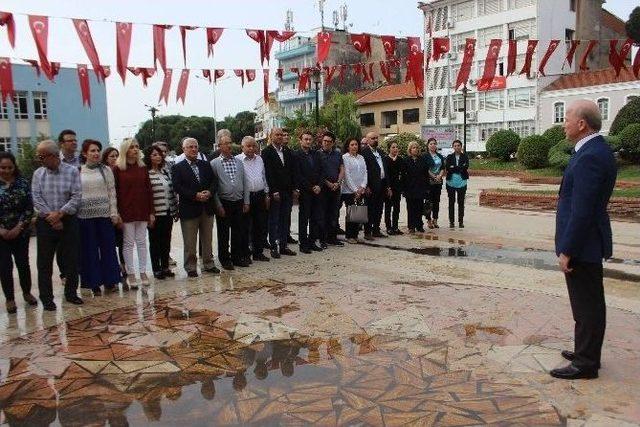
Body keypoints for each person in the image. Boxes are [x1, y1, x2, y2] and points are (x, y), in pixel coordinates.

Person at [551, 100, 616, 380]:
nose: (563, 123)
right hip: (586, 241)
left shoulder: (591, 155)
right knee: (585, 302)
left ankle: (586, 362)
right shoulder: (591, 150)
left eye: (566, 118)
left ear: (581, 124)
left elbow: (583, 210)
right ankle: (585, 351)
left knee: (587, 303)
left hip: (584, 244)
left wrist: (568, 249)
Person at [31, 140, 83, 310]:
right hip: (46, 222)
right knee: (44, 263)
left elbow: (76, 197)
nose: (39, 159)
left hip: (68, 220)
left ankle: (71, 293)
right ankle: (47, 298)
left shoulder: (72, 171)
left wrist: (60, 214)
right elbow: (36, 198)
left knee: (71, 260)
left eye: (42, 156)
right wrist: (52, 217)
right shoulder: (38, 174)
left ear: (53, 156)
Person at [172, 137, 220, 277]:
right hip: (189, 209)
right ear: (184, 149)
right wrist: (195, 195)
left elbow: (214, 181)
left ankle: (208, 264)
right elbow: (178, 187)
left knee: (207, 239)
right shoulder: (178, 167)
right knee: (190, 242)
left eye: (195, 147)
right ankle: (191, 267)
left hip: (207, 207)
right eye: (190, 147)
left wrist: (209, 192)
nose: (193, 149)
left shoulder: (205, 164)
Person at [78, 139, 121, 293]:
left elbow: (112, 192)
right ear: (84, 153)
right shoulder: (78, 171)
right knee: (89, 251)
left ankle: (110, 280)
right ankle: (93, 282)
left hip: (104, 216)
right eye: (92, 151)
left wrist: (114, 212)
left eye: (98, 150)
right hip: (85, 218)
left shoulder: (106, 170)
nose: (96, 153)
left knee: (108, 249)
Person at [113, 138, 155, 288]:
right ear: (125, 150)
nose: (135, 149)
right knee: (129, 243)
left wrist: (151, 212)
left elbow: (148, 190)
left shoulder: (142, 167)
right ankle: (131, 274)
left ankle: (143, 272)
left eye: (137, 147)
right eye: (132, 147)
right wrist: (116, 212)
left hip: (142, 209)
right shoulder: (118, 168)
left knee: (142, 242)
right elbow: (115, 192)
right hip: (126, 211)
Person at [0, 152, 37, 314]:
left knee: (23, 263)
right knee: (4, 266)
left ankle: (27, 292)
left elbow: (29, 208)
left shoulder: (22, 183)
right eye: (2, 167)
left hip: (20, 232)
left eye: (9, 167)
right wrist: (2, 230)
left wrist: (18, 227)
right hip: (1, 234)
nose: (6, 170)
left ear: (14, 167)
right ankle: (10, 299)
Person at [210, 134, 250, 270]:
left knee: (238, 231)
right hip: (224, 202)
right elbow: (213, 187)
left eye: (230, 143)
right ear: (219, 146)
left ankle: (237, 257)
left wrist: (246, 201)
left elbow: (245, 182)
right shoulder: (214, 163)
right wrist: (218, 205)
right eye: (225, 143)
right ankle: (225, 259)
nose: (229, 145)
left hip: (238, 201)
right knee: (223, 233)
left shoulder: (238, 161)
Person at [262, 128, 296, 258]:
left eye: (281, 135)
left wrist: (294, 188)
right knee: (274, 220)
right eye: (277, 135)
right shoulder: (266, 152)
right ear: (271, 136)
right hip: (275, 192)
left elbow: (291, 171)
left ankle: (283, 246)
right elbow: (268, 173)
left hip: (287, 191)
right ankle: (273, 247)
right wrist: (273, 191)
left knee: (284, 219)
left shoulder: (287, 152)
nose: (280, 137)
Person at [145, 145, 178, 280]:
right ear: (149, 157)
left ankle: (165, 266)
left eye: (159, 154)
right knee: (155, 242)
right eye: (154, 155)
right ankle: (156, 268)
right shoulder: (146, 174)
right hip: (155, 214)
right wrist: (149, 213)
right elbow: (145, 196)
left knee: (166, 240)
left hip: (168, 212)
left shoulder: (165, 172)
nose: (158, 157)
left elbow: (171, 192)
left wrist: (175, 209)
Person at [237, 136, 270, 262]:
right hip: (246, 197)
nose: (251, 148)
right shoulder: (238, 160)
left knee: (259, 225)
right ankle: (245, 253)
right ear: (242, 147)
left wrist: (267, 194)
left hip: (260, 195)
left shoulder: (259, 159)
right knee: (244, 227)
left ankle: (258, 252)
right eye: (248, 146)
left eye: (253, 146)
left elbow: (263, 177)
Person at [294, 130, 324, 254]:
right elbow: (298, 175)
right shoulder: (296, 155)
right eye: (305, 139)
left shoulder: (316, 154)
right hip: (306, 192)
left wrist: (319, 186)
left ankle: (312, 242)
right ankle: (303, 243)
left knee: (315, 218)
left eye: (309, 139)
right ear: (300, 140)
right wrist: (311, 187)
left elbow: (322, 171)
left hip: (317, 191)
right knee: (304, 218)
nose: (307, 141)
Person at [361, 131, 391, 240]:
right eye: (373, 138)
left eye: (376, 138)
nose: (375, 140)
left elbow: (385, 170)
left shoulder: (380, 151)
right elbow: (364, 171)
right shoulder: (364, 153)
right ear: (367, 140)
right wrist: (366, 186)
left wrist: (388, 186)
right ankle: (367, 232)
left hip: (382, 184)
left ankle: (376, 230)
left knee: (379, 209)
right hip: (371, 186)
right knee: (370, 209)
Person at [318, 131, 345, 247]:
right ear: (321, 141)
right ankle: (322, 239)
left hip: (336, 188)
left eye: (329, 142)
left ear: (333, 143)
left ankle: (332, 238)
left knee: (334, 214)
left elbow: (342, 169)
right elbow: (317, 173)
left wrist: (338, 183)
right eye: (325, 141)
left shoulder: (338, 154)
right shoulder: (317, 154)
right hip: (323, 189)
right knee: (322, 214)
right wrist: (328, 183)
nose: (326, 143)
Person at [102, 147, 126, 277]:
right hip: (107, 212)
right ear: (106, 158)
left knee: (122, 241)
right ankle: (112, 269)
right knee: (109, 244)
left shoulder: (121, 172)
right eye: (112, 156)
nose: (115, 158)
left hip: (121, 212)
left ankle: (124, 266)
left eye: (117, 156)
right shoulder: (103, 173)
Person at [341, 138, 368, 244]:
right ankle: (349, 236)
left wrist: (363, 186)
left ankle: (355, 235)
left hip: (360, 189)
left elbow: (365, 172)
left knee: (358, 212)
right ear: (348, 146)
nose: (354, 146)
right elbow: (347, 175)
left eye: (356, 144)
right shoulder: (345, 157)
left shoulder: (361, 157)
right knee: (351, 212)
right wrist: (355, 190)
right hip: (349, 190)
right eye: (352, 145)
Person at [401, 141, 429, 233]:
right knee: (410, 208)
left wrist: (426, 188)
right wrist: (404, 189)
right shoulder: (406, 160)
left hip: (420, 187)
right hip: (409, 188)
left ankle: (419, 225)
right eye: (413, 148)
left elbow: (426, 175)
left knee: (419, 207)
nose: (415, 149)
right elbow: (403, 175)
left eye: (417, 148)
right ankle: (411, 226)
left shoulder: (422, 160)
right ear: (410, 149)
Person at [445, 140, 469, 229]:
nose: (457, 147)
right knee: (451, 202)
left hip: (462, 182)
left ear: (461, 146)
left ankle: (461, 221)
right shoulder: (449, 157)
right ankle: (451, 222)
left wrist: (454, 167)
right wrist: (459, 168)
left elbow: (465, 167)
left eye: (458, 145)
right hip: (450, 182)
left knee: (461, 202)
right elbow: (448, 168)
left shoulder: (465, 157)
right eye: (455, 145)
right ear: (453, 147)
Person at [425, 138, 446, 229]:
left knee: (436, 201)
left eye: (434, 144)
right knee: (429, 202)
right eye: (431, 144)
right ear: (428, 145)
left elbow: (442, 167)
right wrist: (433, 176)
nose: (433, 145)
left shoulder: (440, 156)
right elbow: (426, 169)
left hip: (438, 182)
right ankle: (429, 220)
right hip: (429, 182)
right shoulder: (425, 156)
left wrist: (439, 176)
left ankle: (435, 219)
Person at [282, 128, 298, 245]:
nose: (286, 137)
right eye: (284, 135)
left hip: (289, 188)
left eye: (288, 135)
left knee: (288, 213)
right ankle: (281, 236)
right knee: (280, 215)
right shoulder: (277, 152)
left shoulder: (290, 151)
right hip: (279, 189)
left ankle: (286, 234)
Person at [384, 141, 404, 235]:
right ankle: (388, 227)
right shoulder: (385, 159)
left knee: (397, 208)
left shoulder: (400, 159)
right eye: (393, 147)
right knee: (388, 207)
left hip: (398, 187)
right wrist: (388, 187)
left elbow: (402, 173)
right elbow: (386, 175)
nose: (395, 149)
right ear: (389, 149)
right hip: (388, 187)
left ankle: (395, 227)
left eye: (396, 147)